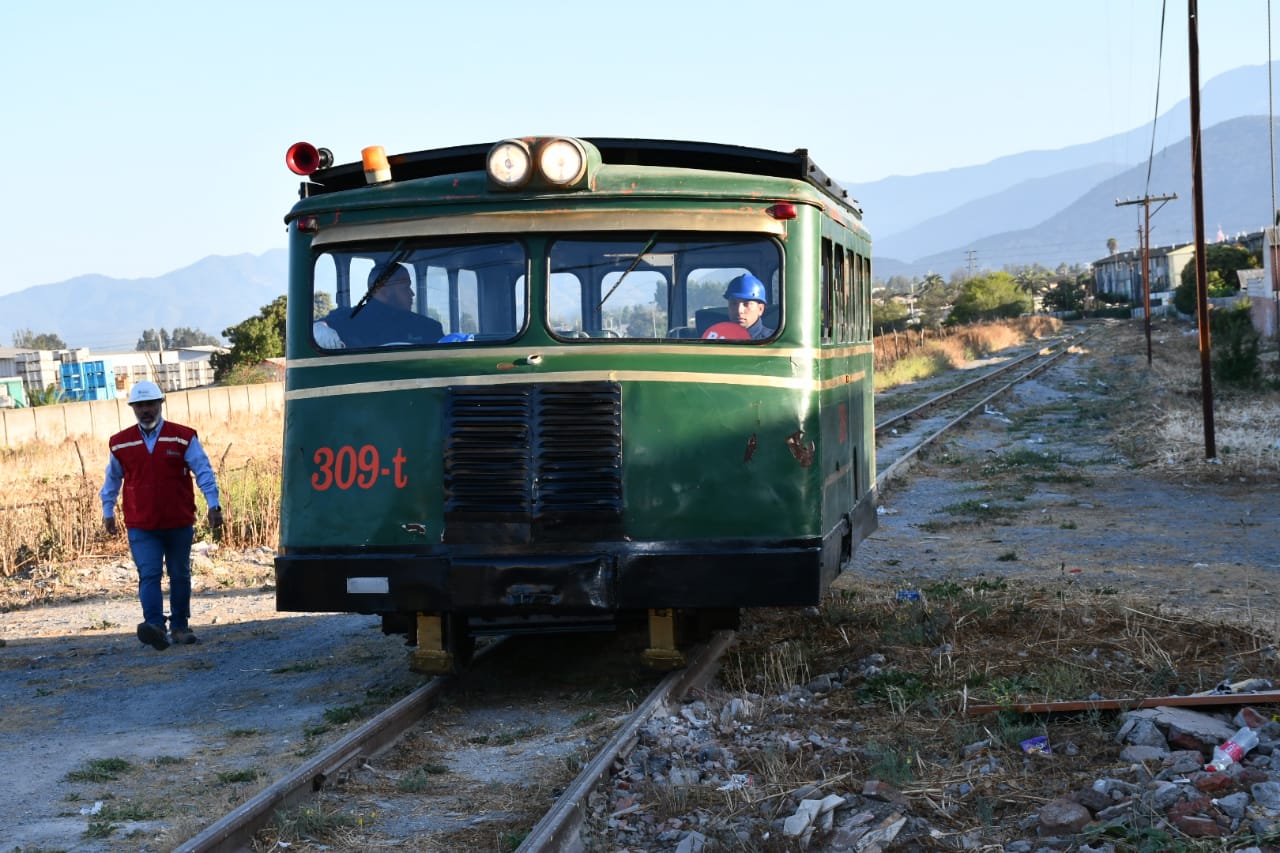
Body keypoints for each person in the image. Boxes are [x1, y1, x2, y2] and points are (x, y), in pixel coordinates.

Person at [101, 381, 223, 651]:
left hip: (178, 521)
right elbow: (112, 480)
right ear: (133, 408)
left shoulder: (182, 437)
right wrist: (107, 510)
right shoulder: (121, 443)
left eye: (150, 404)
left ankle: (180, 627)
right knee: (149, 574)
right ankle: (155, 626)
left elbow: (203, 470)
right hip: (141, 524)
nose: (145, 410)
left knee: (180, 574)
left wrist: (213, 504)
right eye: (140, 406)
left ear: (160, 404)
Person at [319, 264, 444, 348]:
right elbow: (319, 328)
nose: (412, 293)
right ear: (383, 291)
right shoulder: (344, 320)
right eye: (405, 287)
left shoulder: (428, 327)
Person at [724, 273, 774, 339]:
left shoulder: (772, 340)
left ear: (760, 309)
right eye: (733, 303)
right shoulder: (715, 337)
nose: (739, 310)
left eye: (746, 304)